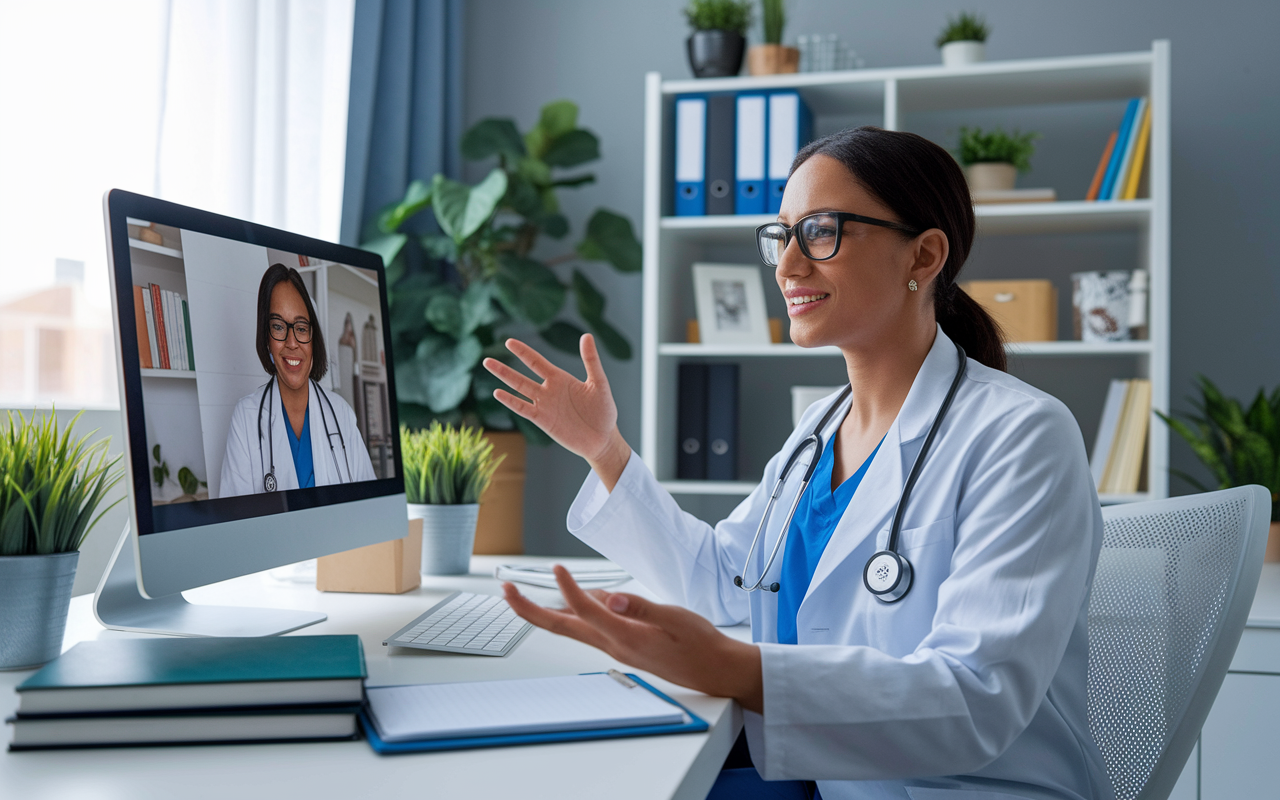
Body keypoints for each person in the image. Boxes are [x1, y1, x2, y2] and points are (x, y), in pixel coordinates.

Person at [483, 127, 1113, 800]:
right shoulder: (819, 431)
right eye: (781, 235)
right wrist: (604, 449)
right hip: (830, 779)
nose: (786, 266)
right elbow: (721, 582)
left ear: (925, 255)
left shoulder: (1020, 435)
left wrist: (739, 670)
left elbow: (977, 697)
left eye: (820, 232)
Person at [218, 263, 375, 497]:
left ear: (313, 339)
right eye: (279, 327)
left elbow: (369, 507)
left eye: (301, 328)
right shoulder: (246, 418)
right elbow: (235, 522)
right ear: (266, 338)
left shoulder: (341, 413)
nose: (292, 342)